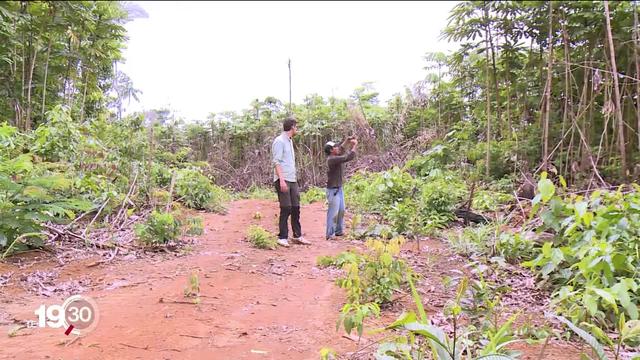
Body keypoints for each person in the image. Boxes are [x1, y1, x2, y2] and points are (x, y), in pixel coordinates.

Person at [271, 117, 310, 247]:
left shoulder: (289, 141)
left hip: (292, 179)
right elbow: (276, 162)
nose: (297, 129)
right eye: (296, 127)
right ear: (292, 127)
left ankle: (297, 235)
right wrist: (281, 180)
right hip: (283, 179)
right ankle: (282, 237)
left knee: (295, 207)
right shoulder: (279, 141)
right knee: (286, 207)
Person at [324, 136, 358, 240]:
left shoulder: (334, 156)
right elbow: (347, 157)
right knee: (333, 212)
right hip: (333, 190)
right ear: (331, 150)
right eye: (334, 147)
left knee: (341, 210)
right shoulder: (332, 159)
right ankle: (330, 234)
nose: (337, 148)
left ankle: (338, 231)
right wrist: (354, 146)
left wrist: (347, 141)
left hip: (338, 188)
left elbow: (341, 149)